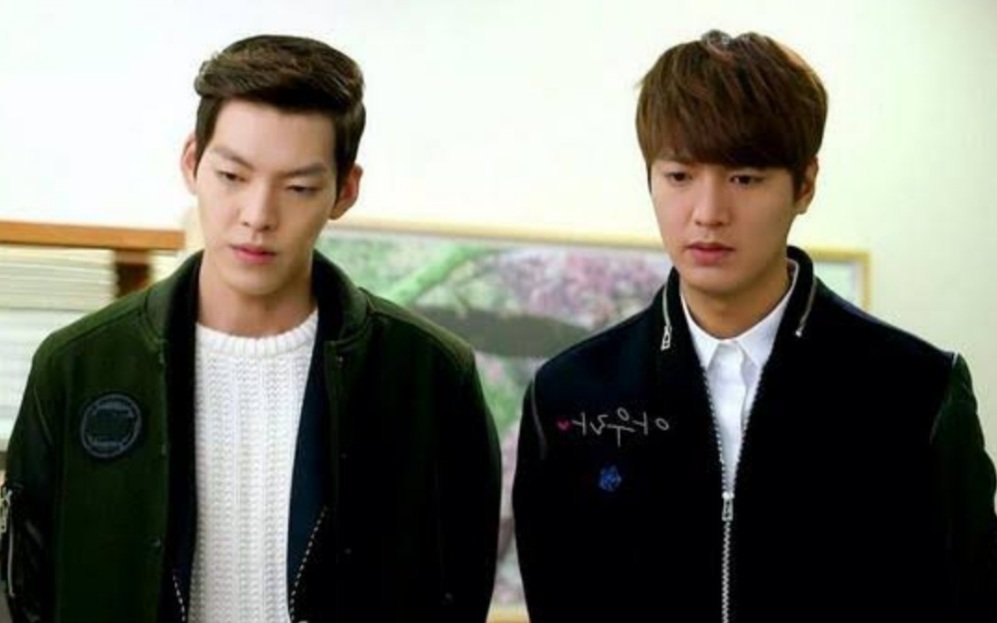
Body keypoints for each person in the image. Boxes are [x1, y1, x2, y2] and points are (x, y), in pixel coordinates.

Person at [1, 34, 500, 622]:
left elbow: (461, 589)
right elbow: (25, 592)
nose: (258, 216)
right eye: (233, 176)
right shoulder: (79, 366)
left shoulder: (428, 375)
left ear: (345, 190)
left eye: (299, 188)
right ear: (192, 162)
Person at [513, 30, 997, 622]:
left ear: (805, 185)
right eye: (679, 176)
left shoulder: (917, 391)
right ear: (650, 178)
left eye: (744, 178)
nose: (708, 213)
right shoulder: (571, 394)